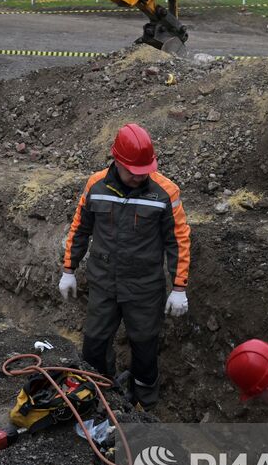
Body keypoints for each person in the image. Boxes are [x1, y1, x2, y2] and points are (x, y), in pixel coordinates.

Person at [60, 123, 191, 408]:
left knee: (144, 348)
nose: (139, 176)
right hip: (103, 283)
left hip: (144, 288)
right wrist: (68, 270)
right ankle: (101, 398)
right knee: (94, 342)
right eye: (133, 171)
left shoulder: (165, 192)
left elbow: (178, 240)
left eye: (145, 171)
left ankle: (144, 404)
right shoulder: (96, 185)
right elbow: (80, 229)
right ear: (117, 161)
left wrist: (179, 286)